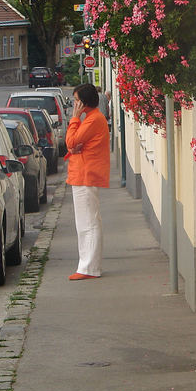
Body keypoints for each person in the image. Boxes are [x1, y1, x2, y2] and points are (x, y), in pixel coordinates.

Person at [65, 83, 110, 280]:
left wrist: (74, 118)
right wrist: (75, 144)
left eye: (76, 101)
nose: (74, 105)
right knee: (86, 222)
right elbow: (74, 143)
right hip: (83, 174)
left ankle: (89, 268)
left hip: (85, 174)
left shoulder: (92, 120)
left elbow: (71, 142)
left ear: (84, 102)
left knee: (88, 222)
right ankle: (88, 266)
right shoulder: (92, 119)